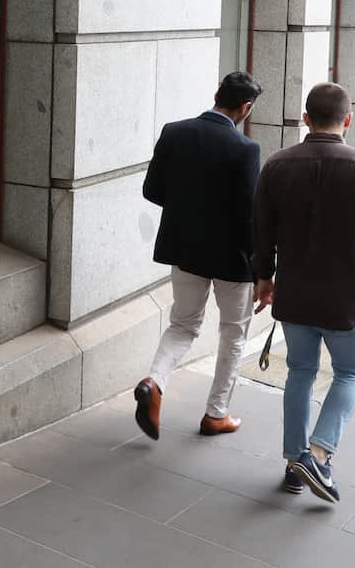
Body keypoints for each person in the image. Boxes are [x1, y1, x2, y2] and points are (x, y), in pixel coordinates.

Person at [252, 83, 355, 503]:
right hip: (347, 298)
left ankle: (292, 464)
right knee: (350, 374)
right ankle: (318, 453)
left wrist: (264, 277)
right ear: (349, 119)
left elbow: (261, 231)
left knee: (300, 374)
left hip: (295, 295)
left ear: (306, 118)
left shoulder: (277, 165)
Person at [132, 71, 263, 440]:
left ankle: (154, 382)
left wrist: (188, 212)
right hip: (231, 258)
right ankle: (215, 414)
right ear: (246, 107)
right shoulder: (245, 149)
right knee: (233, 334)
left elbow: (152, 191)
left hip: (185, 249)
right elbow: (247, 214)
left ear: (216, 93)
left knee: (183, 325)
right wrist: (261, 267)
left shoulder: (175, 131)